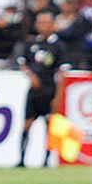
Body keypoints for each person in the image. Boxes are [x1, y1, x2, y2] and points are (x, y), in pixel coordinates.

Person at [16, 11, 70, 168]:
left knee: (49, 126)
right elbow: (23, 63)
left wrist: (58, 97)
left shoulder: (59, 46)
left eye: (46, 22)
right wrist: (30, 74)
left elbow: (62, 73)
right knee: (27, 124)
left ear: (53, 25)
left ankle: (46, 160)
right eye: (39, 22)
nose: (42, 25)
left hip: (49, 90)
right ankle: (21, 159)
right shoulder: (31, 44)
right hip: (34, 91)